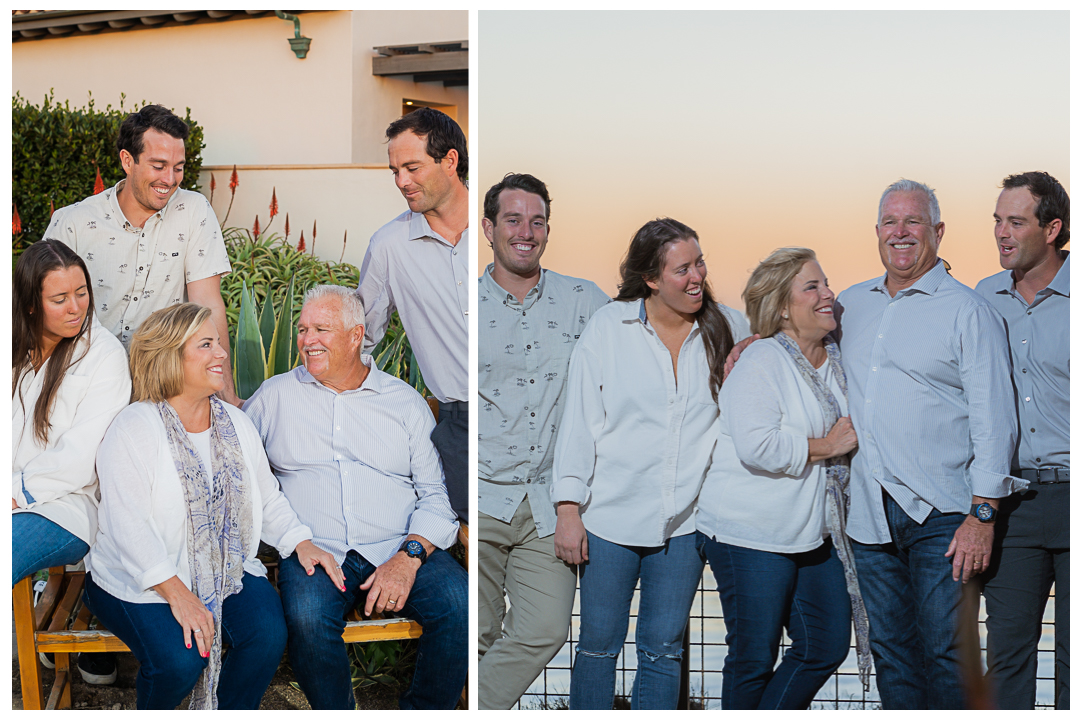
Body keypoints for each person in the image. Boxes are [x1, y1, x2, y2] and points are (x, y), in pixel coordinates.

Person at [83, 303, 343, 710]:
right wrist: (178, 593)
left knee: (266, 635)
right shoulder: (134, 428)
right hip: (138, 581)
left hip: (225, 567)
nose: (222, 353)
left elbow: (266, 494)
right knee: (180, 661)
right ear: (170, 356)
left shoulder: (236, 425)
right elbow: (126, 525)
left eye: (219, 343)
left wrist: (299, 540)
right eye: (207, 344)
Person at [834, 179, 1025, 709]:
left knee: (948, 652)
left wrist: (982, 516)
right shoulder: (850, 306)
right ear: (877, 233)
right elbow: (797, 340)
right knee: (891, 649)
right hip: (868, 513)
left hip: (944, 513)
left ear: (937, 232)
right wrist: (753, 343)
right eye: (890, 222)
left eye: (913, 221)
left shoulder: (967, 311)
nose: (901, 232)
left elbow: (995, 419)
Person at [551, 218, 750, 710]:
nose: (697, 276)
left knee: (663, 652)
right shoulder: (608, 328)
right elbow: (579, 421)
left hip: (684, 526)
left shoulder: (729, 329)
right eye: (682, 268)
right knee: (598, 647)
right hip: (608, 521)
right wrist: (568, 509)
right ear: (652, 279)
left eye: (699, 262)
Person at [244, 285, 467, 710]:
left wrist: (408, 558)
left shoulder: (402, 403)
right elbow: (236, 463)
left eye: (321, 329)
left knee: (459, 602)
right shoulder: (274, 398)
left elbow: (436, 497)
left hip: (398, 545)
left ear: (355, 335)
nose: (308, 340)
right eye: (303, 329)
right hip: (317, 549)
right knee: (308, 619)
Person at [696, 247, 870, 709]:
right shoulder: (762, 361)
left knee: (825, 644)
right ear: (780, 308)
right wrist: (827, 447)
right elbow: (759, 446)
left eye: (826, 283)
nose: (827, 293)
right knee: (752, 658)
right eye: (811, 286)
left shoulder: (837, 359)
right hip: (749, 533)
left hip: (811, 535)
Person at [477, 173, 610, 709]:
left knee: (545, 629)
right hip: (481, 498)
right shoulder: (463, 306)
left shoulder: (586, 300)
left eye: (537, 221)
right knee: (477, 635)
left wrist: (741, 341)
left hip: (551, 502)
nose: (525, 232)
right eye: (513, 219)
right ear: (489, 228)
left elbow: (648, 334)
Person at [44, 104, 239, 405]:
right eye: (158, 166)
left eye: (179, 167)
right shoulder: (73, 223)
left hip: (166, 387)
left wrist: (226, 395)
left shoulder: (194, 210)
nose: (170, 179)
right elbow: (44, 311)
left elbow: (207, 304)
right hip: (87, 388)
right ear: (127, 160)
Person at [12, 239, 131, 685]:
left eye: (81, 293)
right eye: (59, 299)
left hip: (67, 506)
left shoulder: (103, 355)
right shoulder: (14, 350)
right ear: (29, 304)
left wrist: (15, 492)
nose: (75, 306)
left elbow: (84, 457)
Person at [975, 171, 1069, 710]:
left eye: (1016, 221)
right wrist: (767, 337)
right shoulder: (981, 299)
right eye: (997, 221)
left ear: (1052, 228)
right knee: (1007, 654)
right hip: (1011, 505)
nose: (1001, 233)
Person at [356, 107, 469, 522]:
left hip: (532, 418)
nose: (402, 181)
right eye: (395, 171)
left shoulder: (499, 231)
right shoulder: (388, 246)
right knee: (472, 552)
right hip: (460, 426)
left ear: (450, 160)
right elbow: (359, 335)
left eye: (412, 167)